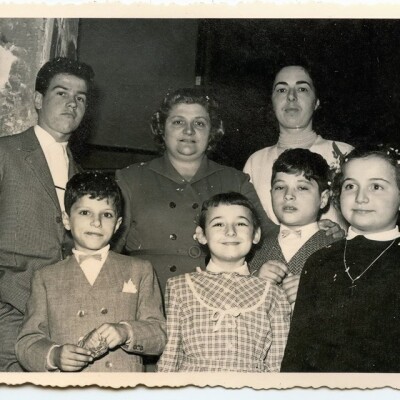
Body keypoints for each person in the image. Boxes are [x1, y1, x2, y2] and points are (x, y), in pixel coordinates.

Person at [115, 88, 275, 295]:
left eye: (199, 123)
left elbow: (270, 238)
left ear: (212, 132)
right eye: (178, 122)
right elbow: (110, 248)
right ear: (162, 129)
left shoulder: (235, 180)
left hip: (218, 297)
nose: (189, 131)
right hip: (149, 296)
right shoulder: (130, 179)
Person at [15, 172, 166, 372]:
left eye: (107, 214)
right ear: (66, 220)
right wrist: (55, 355)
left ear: (118, 225)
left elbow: (160, 334)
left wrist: (126, 332)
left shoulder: (140, 270)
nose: (96, 222)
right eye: (85, 212)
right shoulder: (45, 277)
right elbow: (27, 342)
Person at [0, 57, 95, 372]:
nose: (72, 104)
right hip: (8, 312)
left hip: (59, 319)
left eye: (80, 98)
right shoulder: (5, 153)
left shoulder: (81, 175)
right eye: (62, 93)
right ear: (38, 100)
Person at [281, 145, 400, 372]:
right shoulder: (319, 262)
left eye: (376, 186)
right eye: (350, 186)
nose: (361, 197)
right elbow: (297, 352)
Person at [157, 192, 291, 372]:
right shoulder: (180, 287)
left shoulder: (274, 294)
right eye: (219, 224)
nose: (230, 232)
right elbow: (171, 354)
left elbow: (278, 363)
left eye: (241, 223)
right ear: (202, 235)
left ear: (256, 234)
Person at [244, 64, 353, 226]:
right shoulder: (256, 162)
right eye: (281, 90)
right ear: (272, 102)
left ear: (316, 102)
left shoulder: (344, 154)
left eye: (302, 89)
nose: (291, 97)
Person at [249, 149, 341, 306]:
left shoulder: (339, 248)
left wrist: (316, 292)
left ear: (324, 198)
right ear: (270, 194)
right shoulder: (253, 249)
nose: (288, 195)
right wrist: (253, 283)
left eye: (302, 187)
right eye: (280, 187)